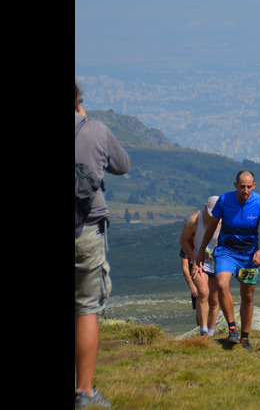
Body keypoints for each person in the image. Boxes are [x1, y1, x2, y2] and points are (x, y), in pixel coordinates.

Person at [76, 81, 131, 408]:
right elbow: (121, 165)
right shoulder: (94, 129)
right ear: (78, 99)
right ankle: (84, 392)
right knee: (86, 308)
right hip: (85, 230)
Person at [195, 171, 260, 349]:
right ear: (235, 185)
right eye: (242, 186)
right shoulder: (224, 200)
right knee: (222, 284)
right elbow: (212, 227)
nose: (245, 190)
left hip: (249, 255)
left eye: (249, 187)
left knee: (248, 296)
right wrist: (200, 252)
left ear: (254, 185)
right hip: (226, 252)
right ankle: (232, 329)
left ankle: (245, 338)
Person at [178, 196, 222, 336]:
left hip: (217, 262)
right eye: (210, 213)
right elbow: (184, 241)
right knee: (203, 292)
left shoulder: (225, 220)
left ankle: (211, 332)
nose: (212, 217)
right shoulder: (194, 220)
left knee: (214, 299)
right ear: (205, 207)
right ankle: (202, 330)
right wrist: (195, 258)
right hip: (199, 262)